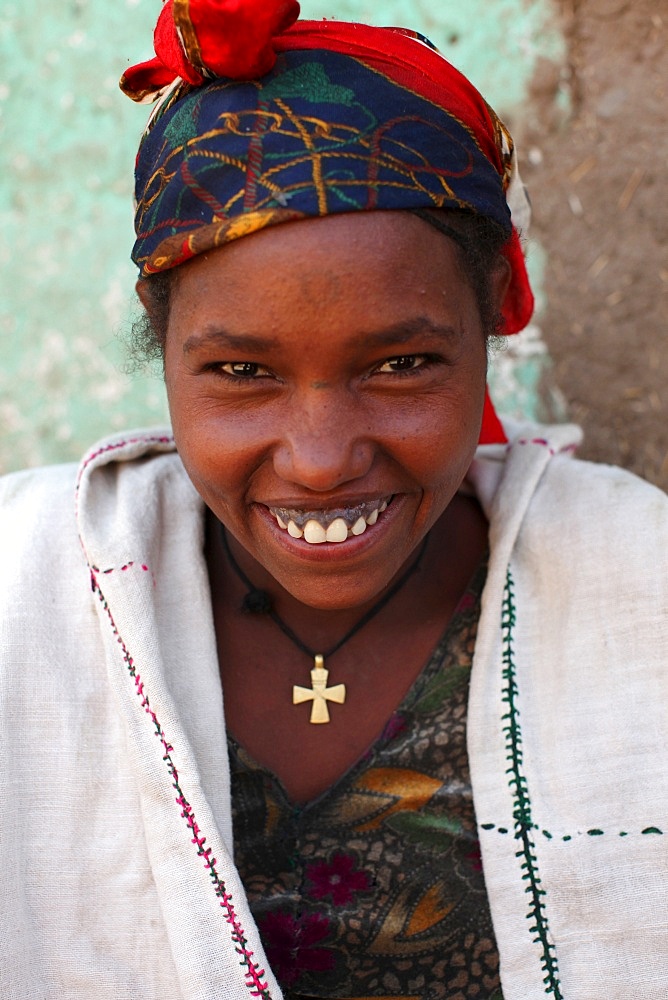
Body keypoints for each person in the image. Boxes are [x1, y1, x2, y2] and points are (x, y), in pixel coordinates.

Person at [1, 2, 667, 998]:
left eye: (400, 364)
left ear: (488, 321)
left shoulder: (635, 581)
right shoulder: (27, 587)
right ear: (162, 341)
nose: (317, 462)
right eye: (240, 371)